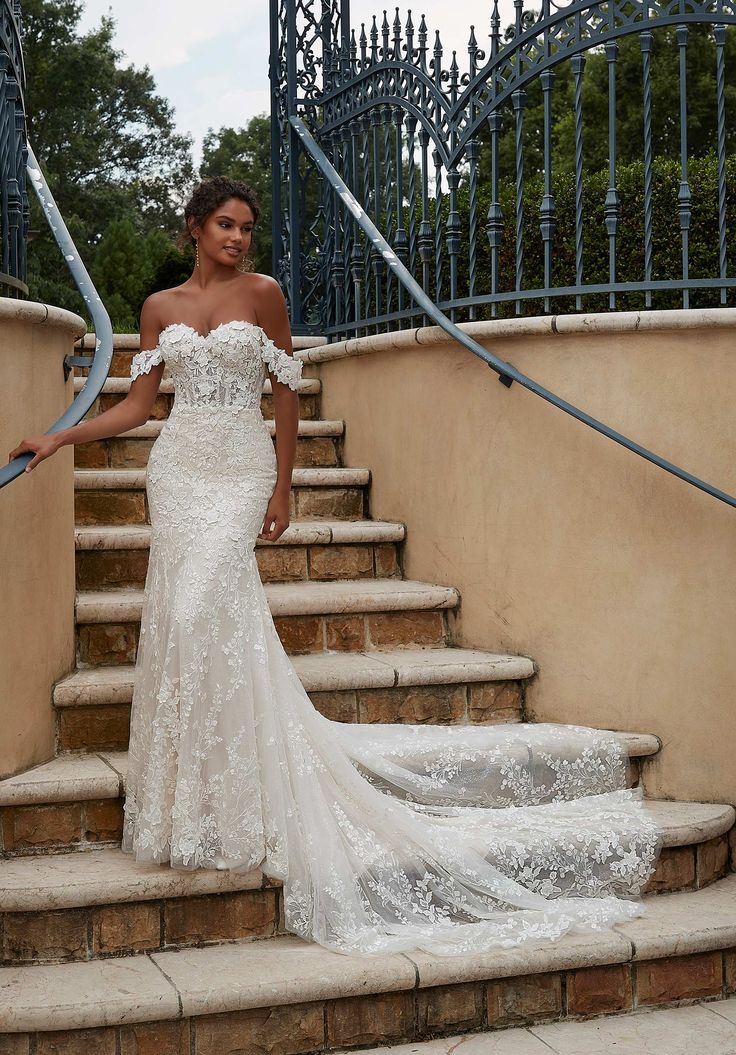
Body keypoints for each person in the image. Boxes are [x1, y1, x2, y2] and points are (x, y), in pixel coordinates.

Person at [8, 176, 661, 957]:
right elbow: (139, 407)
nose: (239, 238)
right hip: (178, 471)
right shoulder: (158, 309)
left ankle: (236, 801)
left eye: (247, 226)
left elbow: (287, 397)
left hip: (241, 468)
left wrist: (283, 483)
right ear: (193, 227)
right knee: (184, 625)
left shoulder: (266, 294)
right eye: (225, 224)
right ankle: (195, 806)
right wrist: (57, 440)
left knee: (201, 611)